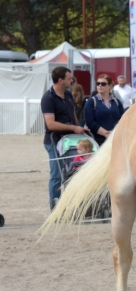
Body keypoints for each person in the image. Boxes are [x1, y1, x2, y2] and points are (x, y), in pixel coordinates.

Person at [41, 66, 87, 209]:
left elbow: (73, 115)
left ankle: (71, 205)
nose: (71, 80)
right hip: (54, 141)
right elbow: (51, 124)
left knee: (72, 171)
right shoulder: (48, 98)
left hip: (70, 140)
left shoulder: (67, 95)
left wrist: (78, 128)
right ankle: (55, 209)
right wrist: (73, 128)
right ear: (60, 80)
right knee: (57, 175)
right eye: (69, 78)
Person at [84, 74, 124, 146]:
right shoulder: (91, 102)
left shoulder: (117, 102)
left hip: (115, 139)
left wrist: (114, 134)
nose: (100, 86)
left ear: (110, 86)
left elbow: (122, 120)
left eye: (103, 84)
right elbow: (90, 122)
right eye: (98, 83)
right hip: (97, 140)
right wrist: (106, 133)